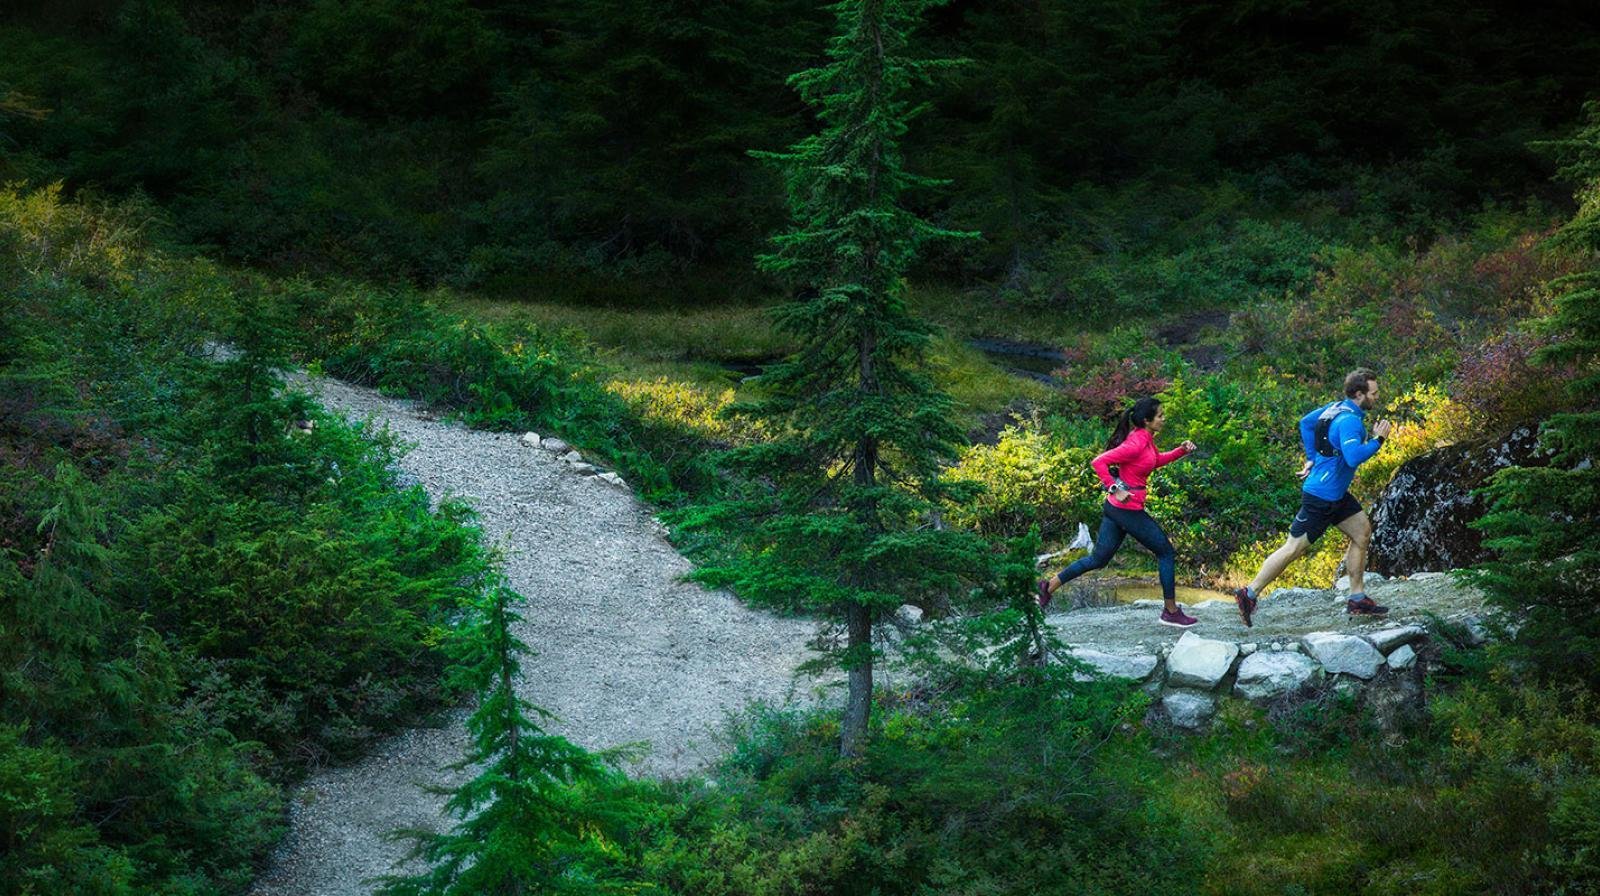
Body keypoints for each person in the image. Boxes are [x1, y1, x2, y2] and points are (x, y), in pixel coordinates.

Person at [1233, 368, 1393, 626]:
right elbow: (1353, 457)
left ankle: (1357, 598)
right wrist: (1379, 440)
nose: (1377, 397)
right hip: (1322, 497)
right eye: (1373, 393)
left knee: (1362, 533)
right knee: (1293, 548)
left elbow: (1306, 423)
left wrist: (1311, 458)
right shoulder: (1349, 421)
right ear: (1359, 394)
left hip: (1336, 494)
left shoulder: (1334, 408)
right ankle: (1248, 594)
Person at [1037, 396, 1200, 627]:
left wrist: (1180, 451)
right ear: (1147, 420)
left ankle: (1047, 587)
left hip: (1117, 510)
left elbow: (1155, 461)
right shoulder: (1136, 443)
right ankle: (1171, 611)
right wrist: (1114, 488)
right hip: (1126, 510)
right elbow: (1098, 462)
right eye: (1160, 415)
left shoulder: (1145, 438)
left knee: (1098, 559)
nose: (1164, 419)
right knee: (1165, 552)